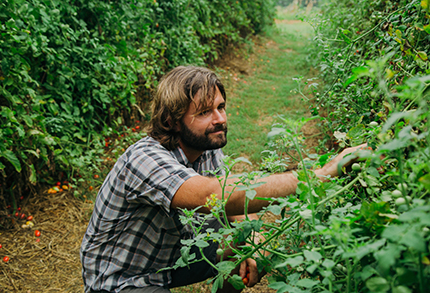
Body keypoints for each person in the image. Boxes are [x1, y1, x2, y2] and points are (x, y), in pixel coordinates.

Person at [80, 66, 364, 293]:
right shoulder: (143, 159)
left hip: (169, 259)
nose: (220, 119)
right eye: (204, 112)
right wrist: (319, 176)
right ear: (172, 121)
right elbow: (212, 196)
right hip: (123, 278)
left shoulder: (205, 149)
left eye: (221, 107)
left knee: (251, 246)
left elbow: (230, 212)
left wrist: (250, 240)